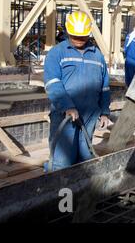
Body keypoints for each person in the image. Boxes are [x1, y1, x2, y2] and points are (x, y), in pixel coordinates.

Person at [44, 11, 111, 171]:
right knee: (62, 160)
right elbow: (52, 83)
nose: (78, 40)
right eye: (74, 36)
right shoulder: (57, 53)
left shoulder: (97, 56)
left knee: (84, 158)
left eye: (82, 37)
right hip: (65, 115)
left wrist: (104, 112)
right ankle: (57, 189)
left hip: (90, 115)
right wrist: (67, 106)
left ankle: (80, 192)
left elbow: (105, 86)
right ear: (67, 32)